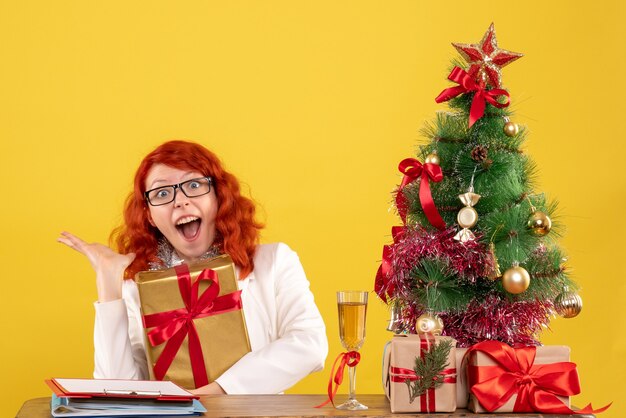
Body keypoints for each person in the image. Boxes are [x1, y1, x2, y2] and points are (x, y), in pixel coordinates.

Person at [58, 140, 328, 394]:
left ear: (218, 197)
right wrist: (109, 284)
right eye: (162, 192)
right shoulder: (136, 288)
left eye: (195, 185)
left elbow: (310, 344)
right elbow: (116, 390)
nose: (180, 201)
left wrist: (220, 390)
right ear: (149, 215)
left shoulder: (274, 262)